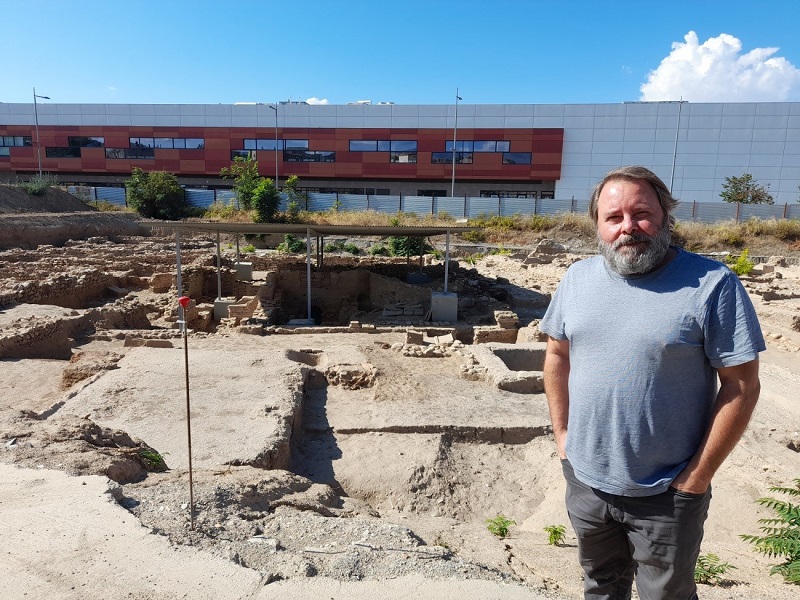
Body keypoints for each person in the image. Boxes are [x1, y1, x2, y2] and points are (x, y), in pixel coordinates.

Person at [539, 166, 765, 600]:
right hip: (586, 481)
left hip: (668, 492)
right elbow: (556, 355)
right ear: (598, 226)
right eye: (614, 217)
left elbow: (742, 386)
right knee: (600, 587)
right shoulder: (577, 279)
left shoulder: (712, 285)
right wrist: (562, 436)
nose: (628, 227)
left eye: (641, 213)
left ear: (666, 216)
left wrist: (696, 478)